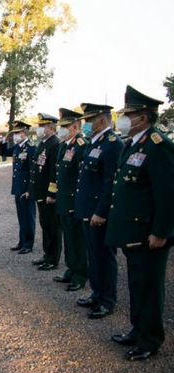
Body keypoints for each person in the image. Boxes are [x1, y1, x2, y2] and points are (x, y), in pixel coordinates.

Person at [106, 86, 174, 361]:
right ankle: (138, 329)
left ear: (143, 118)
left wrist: (162, 232)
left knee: (149, 286)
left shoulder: (159, 145)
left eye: (129, 114)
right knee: (136, 284)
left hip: (150, 234)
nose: (123, 119)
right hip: (134, 232)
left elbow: (168, 194)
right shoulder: (133, 144)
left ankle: (150, 340)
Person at [74, 103, 123, 318]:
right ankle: (96, 292)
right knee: (93, 254)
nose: (85, 125)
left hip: (99, 212)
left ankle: (107, 299)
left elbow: (110, 182)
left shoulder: (112, 144)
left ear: (102, 121)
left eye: (89, 121)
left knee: (104, 256)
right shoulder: (94, 143)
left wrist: (102, 211)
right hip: (87, 209)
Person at [47, 109, 89, 290]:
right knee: (69, 239)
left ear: (76, 127)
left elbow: (82, 178)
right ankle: (70, 270)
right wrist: (53, 194)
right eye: (61, 126)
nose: (62, 129)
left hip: (74, 202)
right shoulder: (64, 146)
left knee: (78, 240)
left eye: (66, 126)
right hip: (63, 201)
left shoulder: (81, 146)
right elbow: (58, 175)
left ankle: (80, 275)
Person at [26, 113, 62, 270]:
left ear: (51, 127)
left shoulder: (55, 144)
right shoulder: (43, 143)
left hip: (48, 194)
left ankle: (53, 259)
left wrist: (51, 193)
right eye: (39, 126)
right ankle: (47, 255)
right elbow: (36, 170)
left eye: (42, 126)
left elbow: (54, 172)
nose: (39, 129)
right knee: (45, 225)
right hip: (40, 193)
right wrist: (32, 191)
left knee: (53, 227)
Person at [0, 121, 37, 254]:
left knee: (28, 217)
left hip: (26, 189)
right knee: (21, 217)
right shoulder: (17, 147)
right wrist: (4, 140)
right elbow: (3, 152)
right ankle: (22, 242)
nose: (15, 135)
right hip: (18, 188)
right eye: (14, 133)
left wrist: (29, 190)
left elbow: (33, 171)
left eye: (17, 133)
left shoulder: (31, 148)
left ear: (24, 133)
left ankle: (28, 244)